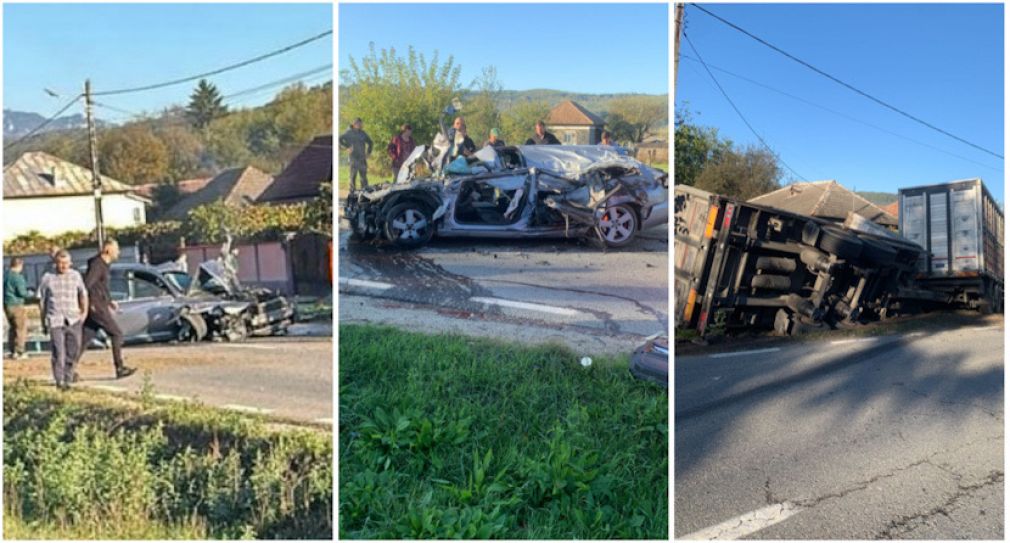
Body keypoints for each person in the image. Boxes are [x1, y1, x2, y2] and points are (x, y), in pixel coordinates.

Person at [79, 239, 136, 379]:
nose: (118, 252)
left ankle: (68, 368)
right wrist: (89, 304)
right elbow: (87, 285)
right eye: (116, 249)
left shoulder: (104, 265)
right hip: (96, 306)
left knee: (85, 338)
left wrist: (109, 301)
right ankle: (119, 367)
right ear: (108, 249)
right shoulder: (97, 265)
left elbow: (101, 286)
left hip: (100, 304)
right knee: (116, 334)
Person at [37, 250, 88, 390]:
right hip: (55, 320)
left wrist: (84, 312)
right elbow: (41, 300)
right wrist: (43, 320)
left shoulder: (75, 276)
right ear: (55, 263)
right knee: (59, 351)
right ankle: (59, 380)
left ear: (70, 263)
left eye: (66, 263)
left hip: (73, 318)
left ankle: (68, 377)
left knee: (74, 349)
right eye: (60, 263)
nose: (63, 266)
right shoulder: (48, 278)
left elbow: (83, 294)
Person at [4, 257, 31, 360]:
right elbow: (21, 292)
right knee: (21, 328)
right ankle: (20, 351)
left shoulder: (5, 275)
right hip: (17, 304)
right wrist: (30, 294)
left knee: (12, 328)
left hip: (7, 304)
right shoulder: (17, 277)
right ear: (20, 265)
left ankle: (12, 350)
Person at [339, 118, 374, 191]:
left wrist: (368, 153)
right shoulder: (349, 132)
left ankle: (365, 192)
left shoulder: (363, 133)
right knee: (353, 176)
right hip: (353, 157)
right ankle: (352, 192)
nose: (359, 125)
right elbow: (339, 139)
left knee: (363, 176)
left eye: (360, 123)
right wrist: (347, 147)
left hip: (362, 157)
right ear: (354, 124)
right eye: (357, 123)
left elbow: (370, 142)